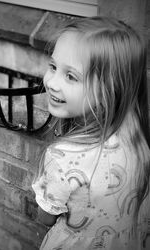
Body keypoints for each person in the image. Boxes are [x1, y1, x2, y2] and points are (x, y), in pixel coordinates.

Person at [32, 16, 150, 250]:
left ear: (110, 88)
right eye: (53, 67)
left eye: (71, 76)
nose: (52, 83)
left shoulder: (63, 155)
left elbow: (45, 218)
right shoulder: (139, 135)